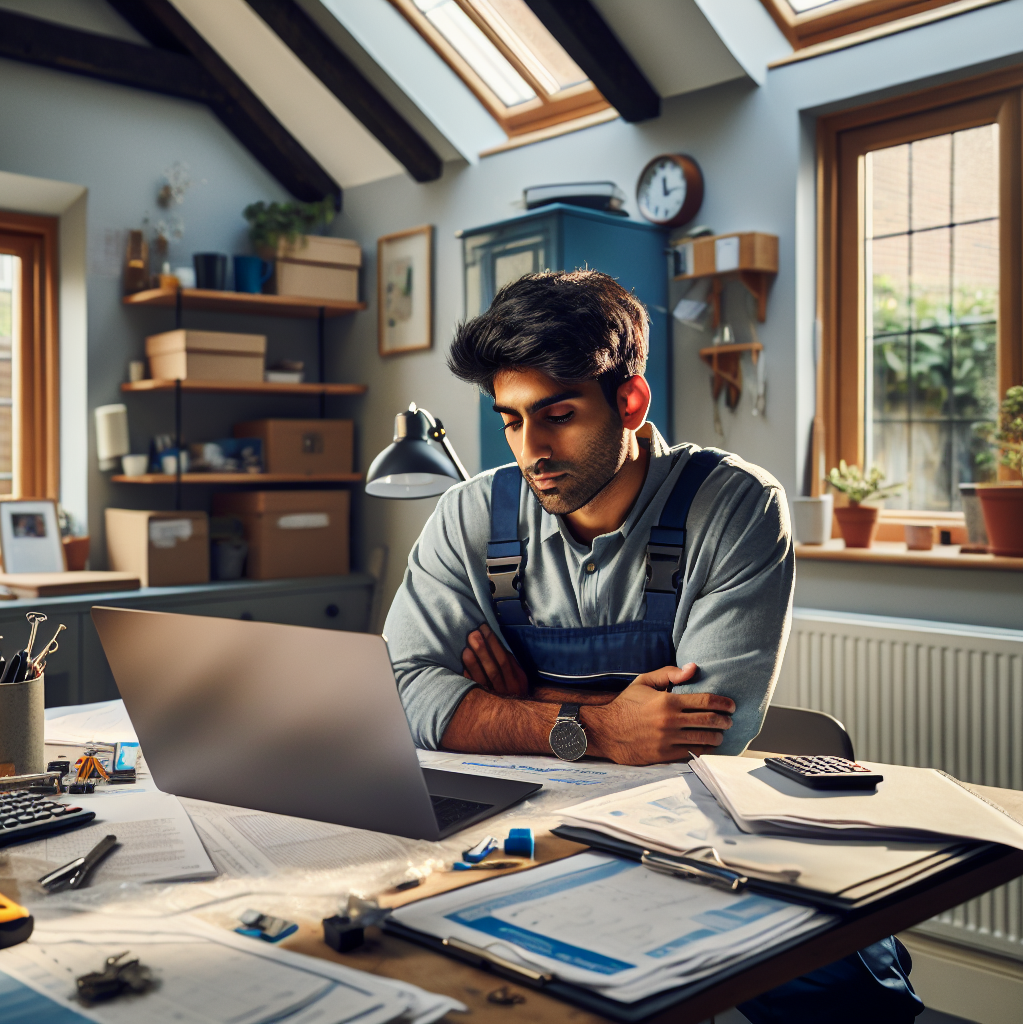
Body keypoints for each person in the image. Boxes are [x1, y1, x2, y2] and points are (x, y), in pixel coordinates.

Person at [382, 269, 923, 1024]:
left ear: (629, 401)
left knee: (836, 994)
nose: (530, 448)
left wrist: (511, 704)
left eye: (557, 414)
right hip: (528, 828)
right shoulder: (469, 514)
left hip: (694, 833)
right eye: (509, 420)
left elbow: (702, 729)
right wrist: (601, 726)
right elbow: (402, 693)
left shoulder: (736, 505)